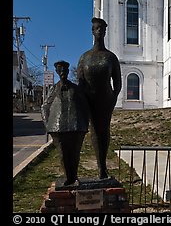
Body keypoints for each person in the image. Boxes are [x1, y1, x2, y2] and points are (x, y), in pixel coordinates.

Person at [77, 17, 122, 179]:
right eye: (97, 28)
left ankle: (103, 168)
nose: (99, 31)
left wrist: (113, 99)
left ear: (105, 32)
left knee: (104, 130)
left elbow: (117, 83)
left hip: (106, 100)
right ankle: (100, 168)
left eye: (102, 29)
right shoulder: (85, 58)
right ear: (92, 31)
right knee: (94, 131)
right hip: (89, 100)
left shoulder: (111, 58)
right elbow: (80, 83)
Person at [41, 60, 89, 186]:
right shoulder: (54, 89)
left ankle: (75, 177)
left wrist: (85, 123)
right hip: (58, 127)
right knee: (63, 154)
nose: (62, 72)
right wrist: (47, 124)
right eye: (60, 70)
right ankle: (68, 177)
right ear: (57, 72)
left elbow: (85, 106)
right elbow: (44, 107)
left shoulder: (76, 89)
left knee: (75, 154)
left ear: (68, 72)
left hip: (76, 126)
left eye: (65, 70)